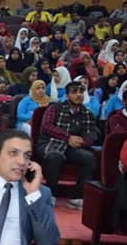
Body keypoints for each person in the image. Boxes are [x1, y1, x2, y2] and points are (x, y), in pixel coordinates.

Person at [37, 81, 99, 209]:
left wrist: (82, 142)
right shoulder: (55, 108)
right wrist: (67, 137)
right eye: (74, 92)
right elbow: (46, 127)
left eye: (81, 92)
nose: (79, 95)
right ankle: (51, 194)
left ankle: (77, 197)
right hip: (51, 142)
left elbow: (91, 135)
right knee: (54, 156)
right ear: (67, 95)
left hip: (73, 147)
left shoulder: (87, 113)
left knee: (88, 158)